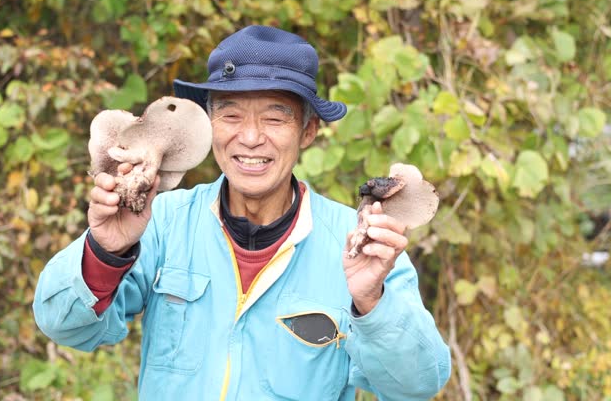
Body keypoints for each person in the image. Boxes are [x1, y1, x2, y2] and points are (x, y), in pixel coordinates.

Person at [33, 25, 451, 400]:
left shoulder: (364, 247)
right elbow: (62, 325)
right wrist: (104, 250)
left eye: (275, 117)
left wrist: (370, 301)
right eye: (230, 114)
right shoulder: (164, 222)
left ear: (307, 131)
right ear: (210, 124)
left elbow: (417, 384)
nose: (250, 137)